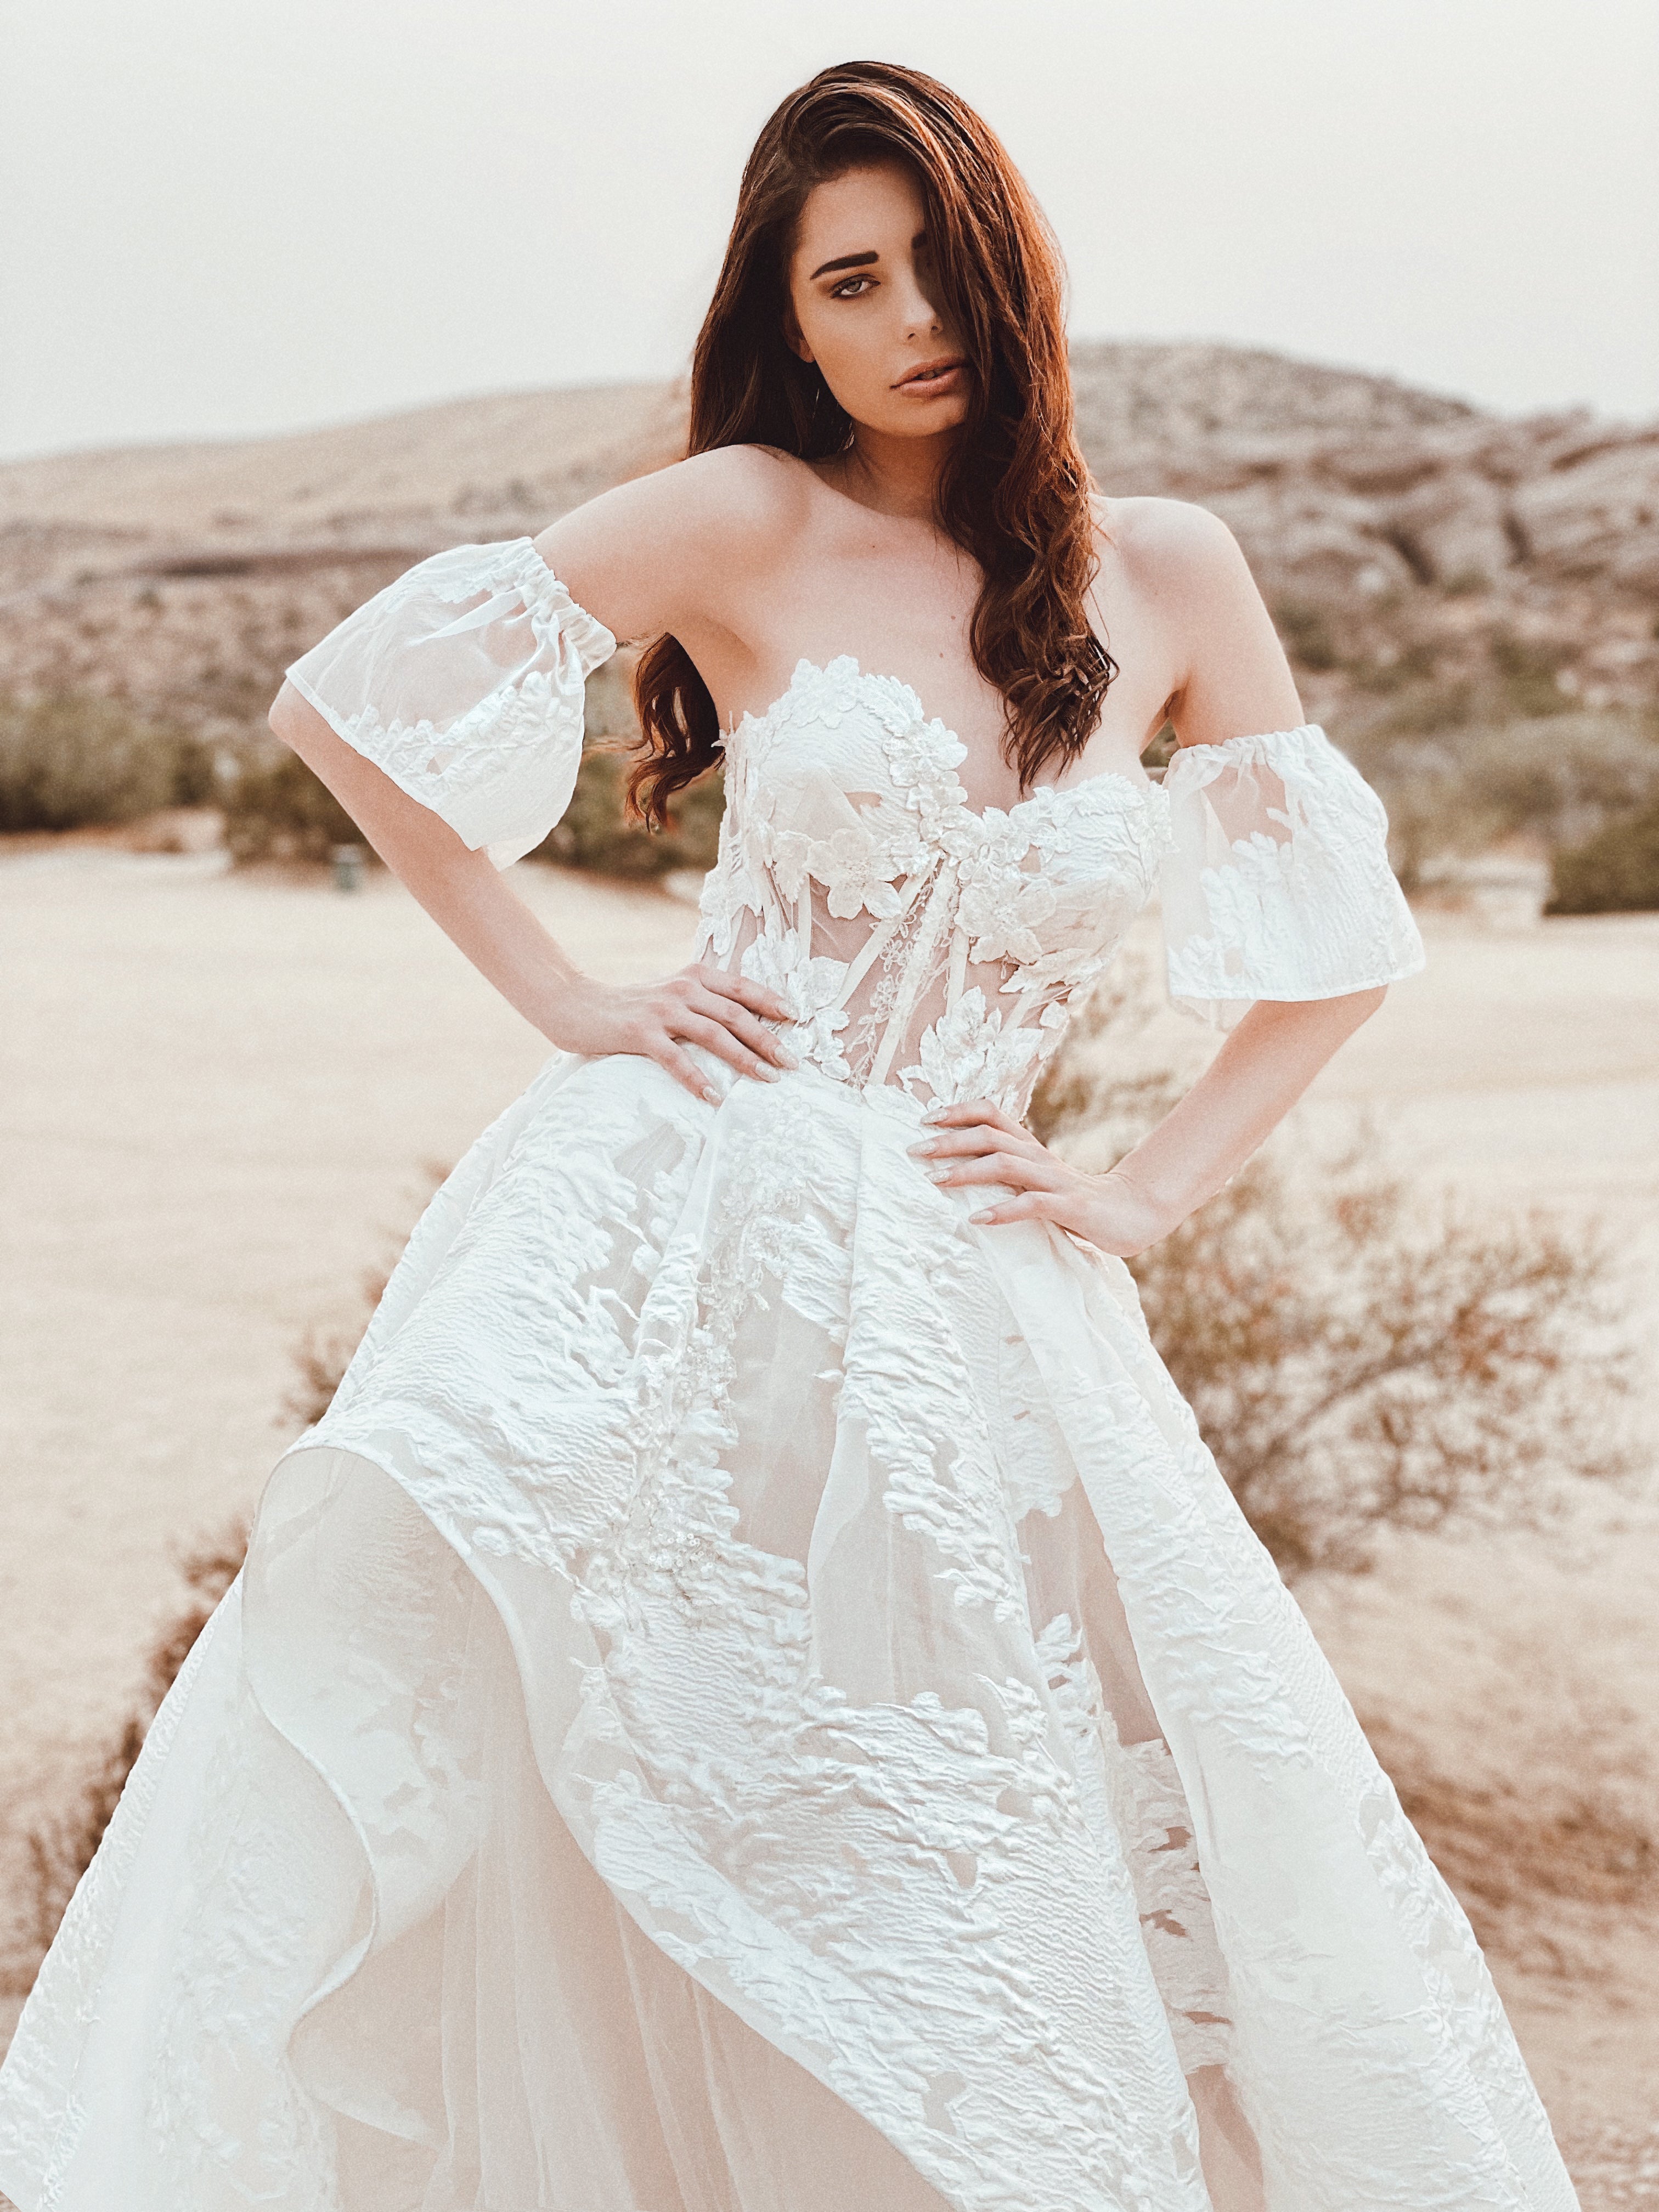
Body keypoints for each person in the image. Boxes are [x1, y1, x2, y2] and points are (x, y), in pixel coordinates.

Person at [0, 58, 1579, 2212]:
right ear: (795, 312)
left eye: (942, 260)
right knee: (664, 1773)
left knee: (996, 1823)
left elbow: (1333, 954)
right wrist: (571, 994)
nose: (910, 314)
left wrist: (1138, 1193)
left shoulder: (1182, 578)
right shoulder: (748, 513)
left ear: (1014, 269)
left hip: (985, 1271)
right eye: (852, 276)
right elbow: (350, 706)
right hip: (698, 1229)